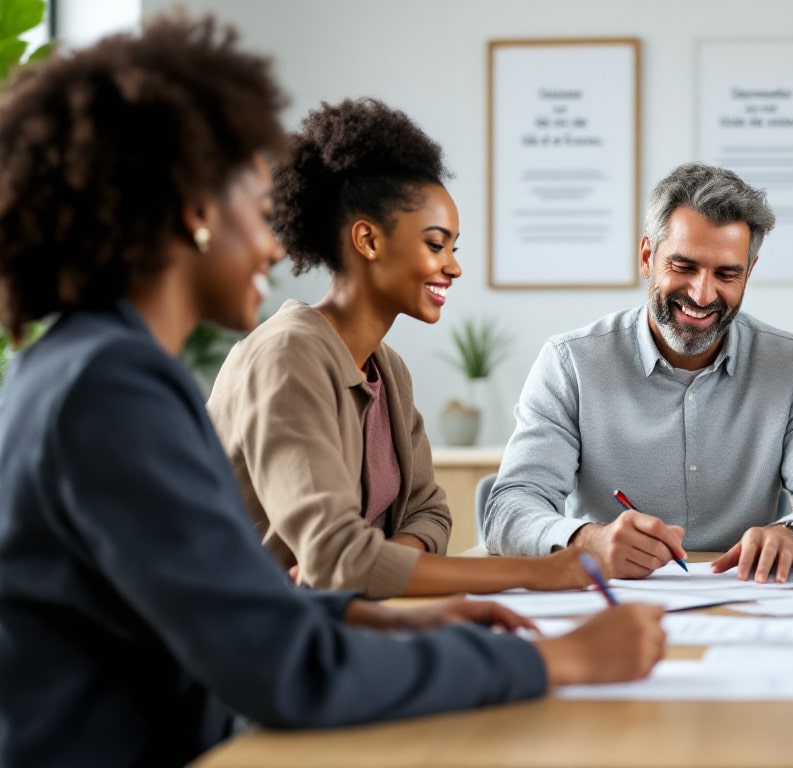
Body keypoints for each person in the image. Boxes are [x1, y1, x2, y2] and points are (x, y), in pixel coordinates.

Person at [0, 18, 663, 767]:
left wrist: (387, 619)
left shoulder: (86, 365)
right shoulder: (111, 388)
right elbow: (282, 663)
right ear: (195, 214)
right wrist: (559, 662)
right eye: (256, 212)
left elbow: (233, 603)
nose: (275, 245)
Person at [208, 98, 589, 598]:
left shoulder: (387, 369)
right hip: (253, 648)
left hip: (346, 626)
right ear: (367, 239)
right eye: (436, 244)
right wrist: (536, 571)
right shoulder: (287, 358)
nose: (453, 267)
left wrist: (376, 567)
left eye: (455, 247)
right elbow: (339, 561)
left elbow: (431, 513)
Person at [483, 162, 793, 582]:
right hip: (613, 605)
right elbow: (510, 506)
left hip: (748, 599)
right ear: (648, 257)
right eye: (683, 266)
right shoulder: (569, 363)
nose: (702, 294)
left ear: (749, 273)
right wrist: (585, 539)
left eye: (726, 274)